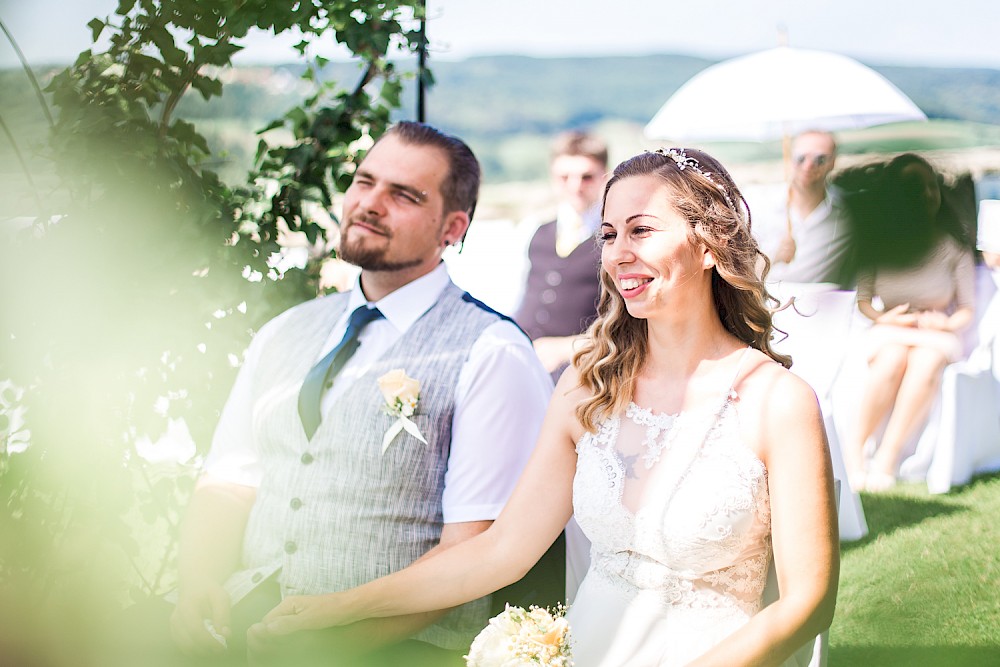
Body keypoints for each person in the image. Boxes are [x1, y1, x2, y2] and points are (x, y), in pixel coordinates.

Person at [248, 148, 840, 667]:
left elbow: (807, 601)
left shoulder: (777, 402)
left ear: (710, 245)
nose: (617, 255)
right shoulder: (590, 388)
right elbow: (502, 551)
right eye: (608, 236)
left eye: (641, 231)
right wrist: (341, 607)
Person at [165, 121, 553, 666]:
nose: (370, 203)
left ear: (453, 227)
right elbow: (230, 479)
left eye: (403, 195)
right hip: (245, 629)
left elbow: (473, 548)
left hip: (397, 651)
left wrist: (340, 644)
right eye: (364, 182)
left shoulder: (493, 351)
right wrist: (198, 582)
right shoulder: (286, 331)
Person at [844, 153, 976, 492]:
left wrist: (944, 325)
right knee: (892, 359)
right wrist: (882, 316)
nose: (926, 194)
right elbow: (863, 300)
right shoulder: (877, 245)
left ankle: (887, 459)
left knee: (926, 361)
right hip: (891, 330)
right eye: (914, 187)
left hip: (935, 334)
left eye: (931, 186)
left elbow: (966, 309)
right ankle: (854, 454)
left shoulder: (953, 248)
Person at [514, 130, 608, 378]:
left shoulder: (613, 240)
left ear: (604, 177)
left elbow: (628, 325)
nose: (575, 186)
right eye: (565, 177)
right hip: (523, 362)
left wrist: (567, 348)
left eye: (586, 177)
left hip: (581, 371)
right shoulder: (537, 232)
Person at [754, 130, 850, 286]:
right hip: (764, 303)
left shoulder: (847, 212)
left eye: (820, 159)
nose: (808, 165)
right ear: (790, 159)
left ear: (833, 162)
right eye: (801, 158)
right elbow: (738, 274)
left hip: (821, 306)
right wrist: (773, 257)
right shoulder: (759, 203)